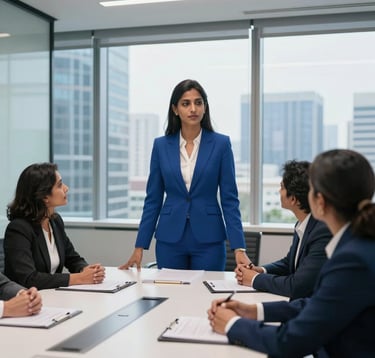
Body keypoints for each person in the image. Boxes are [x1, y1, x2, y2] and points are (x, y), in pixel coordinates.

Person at [208, 149, 375, 357]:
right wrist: (254, 310)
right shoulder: (359, 245)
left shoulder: (352, 260)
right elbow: (318, 303)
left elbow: (290, 341)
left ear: (320, 202)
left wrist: (232, 324)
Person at [119, 79, 250, 270]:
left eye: (198, 102)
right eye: (185, 103)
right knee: (172, 295)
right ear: (175, 109)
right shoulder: (161, 146)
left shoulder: (221, 145)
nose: (193, 109)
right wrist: (140, 246)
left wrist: (239, 248)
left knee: (206, 295)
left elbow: (230, 199)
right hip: (170, 239)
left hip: (209, 239)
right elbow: (153, 200)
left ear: (205, 107)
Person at [235, 160, 331, 300]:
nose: (279, 191)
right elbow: (289, 263)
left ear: (293, 199)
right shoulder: (304, 223)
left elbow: (297, 286)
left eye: (282, 187)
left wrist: (255, 279)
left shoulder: (322, 231)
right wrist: (260, 270)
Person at [4, 162, 105, 290]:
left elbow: (72, 258)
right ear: (45, 196)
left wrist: (87, 270)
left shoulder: (55, 222)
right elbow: (29, 278)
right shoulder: (18, 229)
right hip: (27, 302)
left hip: (53, 296)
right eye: (60, 185)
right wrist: (79, 278)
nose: (66, 188)